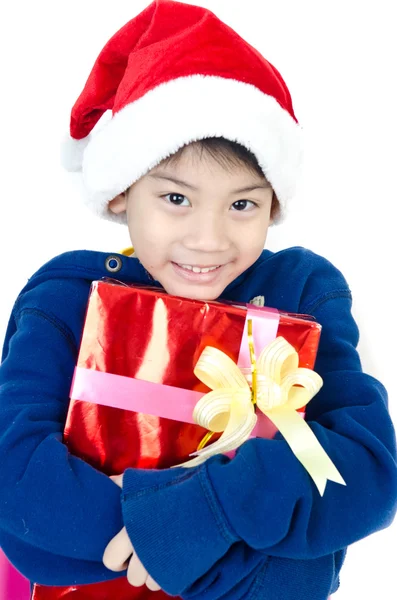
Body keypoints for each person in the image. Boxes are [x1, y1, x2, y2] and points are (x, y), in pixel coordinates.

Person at [0, 0, 396, 599]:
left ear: (273, 204)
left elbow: (367, 471)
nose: (208, 240)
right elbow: (20, 498)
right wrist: (240, 556)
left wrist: (202, 517)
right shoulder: (66, 297)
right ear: (119, 192)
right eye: (176, 199)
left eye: (242, 205)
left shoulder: (304, 292)